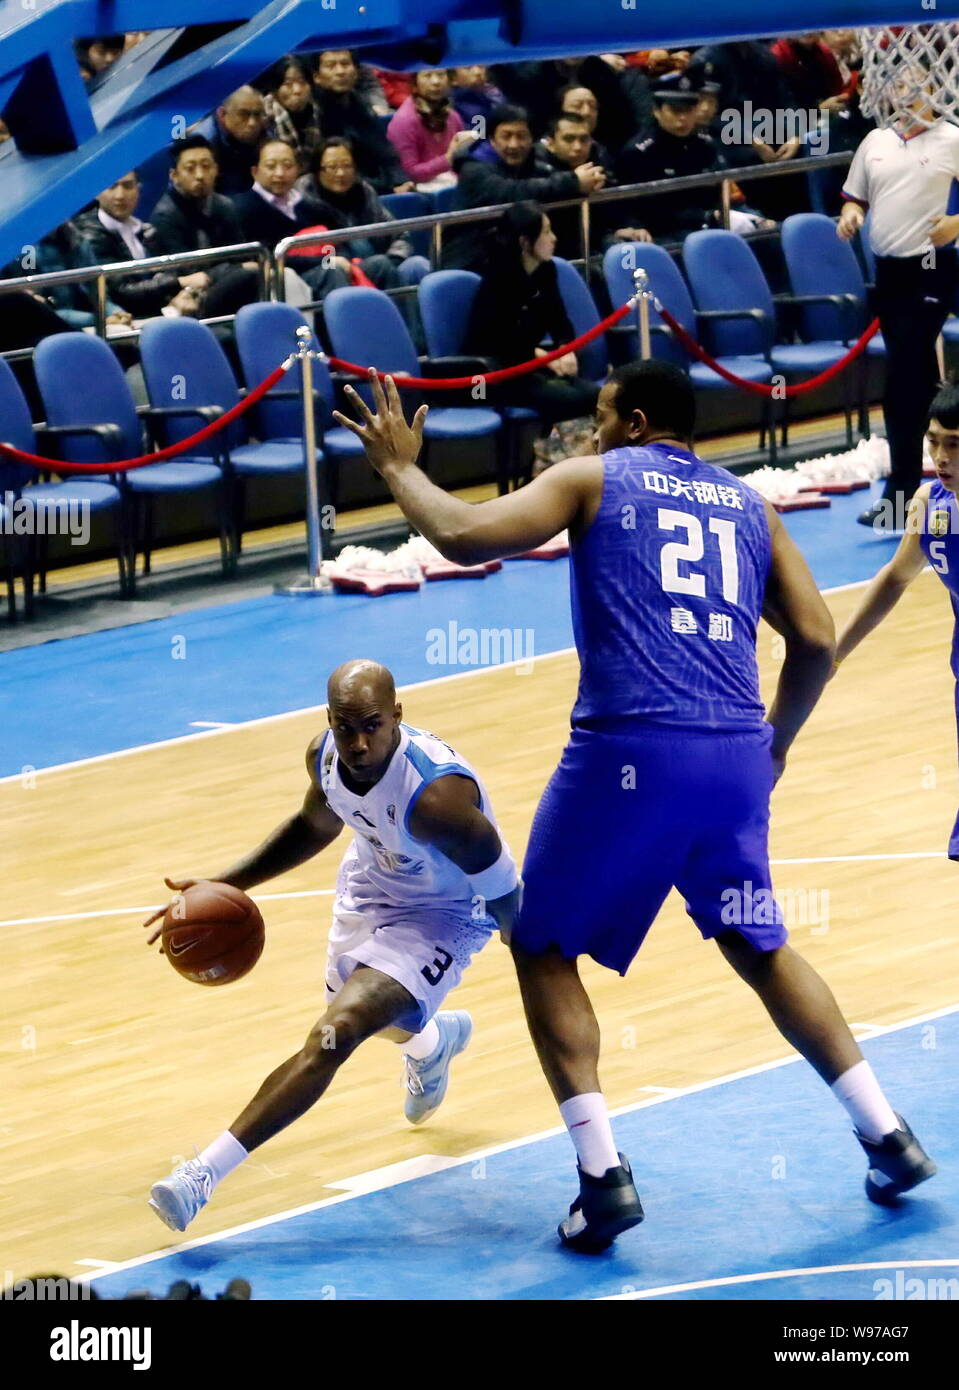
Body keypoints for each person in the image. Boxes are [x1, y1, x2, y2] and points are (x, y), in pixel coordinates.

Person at [332, 362, 937, 1253]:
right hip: (732, 754)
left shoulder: (594, 479)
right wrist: (773, 746)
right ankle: (888, 1135)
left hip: (628, 749)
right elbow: (812, 638)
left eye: (601, 414)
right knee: (757, 944)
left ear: (638, 422)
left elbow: (462, 536)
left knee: (537, 942)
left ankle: (601, 1178)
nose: (589, 429)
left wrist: (398, 469)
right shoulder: (747, 505)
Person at [145, 660, 519, 1232]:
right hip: (372, 885)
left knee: (335, 1033)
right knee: (376, 1023)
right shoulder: (325, 755)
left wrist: (544, 965)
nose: (360, 742)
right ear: (329, 722)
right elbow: (315, 825)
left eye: (373, 725)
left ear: (399, 715)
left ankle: (201, 1176)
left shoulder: (437, 800)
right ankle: (432, 1044)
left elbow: (506, 893)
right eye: (347, 728)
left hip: (445, 913)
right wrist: (225, 884)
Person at [835, 384, 959, 857]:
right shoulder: (930, 507)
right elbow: (895, 578)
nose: (940, 456)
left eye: (954, 444)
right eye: (933, 442)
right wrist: (835, 654)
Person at [838, 77, 959, 530]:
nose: (904, 93)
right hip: (888, 273)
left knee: (903, 379)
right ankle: (927, 492)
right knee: (918, 380)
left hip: (932, 265)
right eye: (898, 84)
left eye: (915, 84)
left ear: (934, 89)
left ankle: (900, 495)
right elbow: (856, 198)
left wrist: (954, 224)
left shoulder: (951, 137)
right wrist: (852, 217)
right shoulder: (876, 141)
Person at [466, 202, 600, 460]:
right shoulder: (497, 279)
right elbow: (494, 341)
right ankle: (553, 465)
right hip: (495, 374)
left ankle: (568, 462)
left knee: (597, 395)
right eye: (546, 232)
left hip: (533, 369)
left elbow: (560, 320)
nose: (554, 238)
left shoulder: (546, 271)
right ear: (525, 242)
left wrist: (565, 348)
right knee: (570, 399)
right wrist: (543, 357)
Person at [442, 104, 604, 272]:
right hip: (470, 261)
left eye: (521, 136)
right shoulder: (473, 169)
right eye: (506, 136)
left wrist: (592, 180)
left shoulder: (535, 167)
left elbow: (548, 183)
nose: (514, 144)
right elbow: (510, 192)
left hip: (519, 257)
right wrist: (573, 181)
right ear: (493, 139)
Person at [148, 136, 261, 316]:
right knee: (250, 276)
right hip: (190, 295)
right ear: (174, 176)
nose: (200, 175)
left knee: (279, 275)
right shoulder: (165, 215)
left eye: (206, 166)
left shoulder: (224, 205)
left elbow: (242, 256)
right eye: (190, 168)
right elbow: (190, 272)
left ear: (216, 170)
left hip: (228, 283)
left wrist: (240, 268)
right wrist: (238, 269)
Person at [232, 138, 354, 299]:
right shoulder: (242, 208)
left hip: (324, 266)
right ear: (255, 171)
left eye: (287, 166)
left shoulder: (310, 205)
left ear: (298, 169)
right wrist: (327, 261)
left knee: (380, 265)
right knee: (332, 272)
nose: (280, 173)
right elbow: (268, 258)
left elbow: (338, 239)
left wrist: (341, 258)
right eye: (271, 166)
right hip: (282, 281)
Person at [74, 172, 207, 319]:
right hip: (127, 318)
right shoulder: (89, 235)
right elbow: (121, 293)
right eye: (112, 187)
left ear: (138, 190)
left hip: (162, 310)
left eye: (128, 186)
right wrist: (179, 283)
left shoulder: (144, 229)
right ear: (97, 193)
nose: (120, 195)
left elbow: (172, 271)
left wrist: (184, 292)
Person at [296, 137, 418, 289]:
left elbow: (399, 233)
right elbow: (310, 253)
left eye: (347, 166)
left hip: (379, 261)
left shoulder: (363, 191)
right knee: (381, 265)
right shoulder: (304, 198)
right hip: (338, 269)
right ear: (317, 170)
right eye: (332, 167)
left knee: (417, 265)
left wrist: (393, 258)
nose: (340, 173)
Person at [312, 50, 411, 192]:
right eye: (331, 66)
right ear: (317, 76)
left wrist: (401, 182)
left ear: (356, 71)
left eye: (345, 64)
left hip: (377, 186)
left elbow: (386, 153)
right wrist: (389, 189)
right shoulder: (314, 113)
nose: (340, 71)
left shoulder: (360, 105)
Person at [386, 68, 474, 190]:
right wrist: (447, 159)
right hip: (422, 189)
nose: (436, 81)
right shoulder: (404, 121)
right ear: (415, 84)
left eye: (441, 75)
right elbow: (410, 173)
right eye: (427, 76)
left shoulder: (453, 116)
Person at [193, 87, 267, 195]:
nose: (252, 123)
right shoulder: (201, 145)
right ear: (222, 114)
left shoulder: (264, 132)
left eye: (257, 114)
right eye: (243, 114)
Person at [259, 55, 324, 168]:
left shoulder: (320, 112)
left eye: (302, 82)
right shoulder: (262, 114)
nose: (297, 90)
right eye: (288, 84)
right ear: (275, 89)